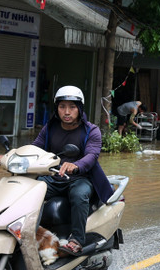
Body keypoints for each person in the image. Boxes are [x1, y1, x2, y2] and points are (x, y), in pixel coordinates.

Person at [27, 86, 113, 255]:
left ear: (80, 108)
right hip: (53, 177)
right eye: (62, 107)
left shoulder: (91, 130)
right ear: (56, 108)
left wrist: (76, 165)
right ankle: (27, 233)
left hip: (81, 178)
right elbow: (34, 148)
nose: (67, 112)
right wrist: (12, 155)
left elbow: (92, 155)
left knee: (79, 195)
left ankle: (77, 240)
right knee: (29, 190)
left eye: (72, 107)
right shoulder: (50, 128)